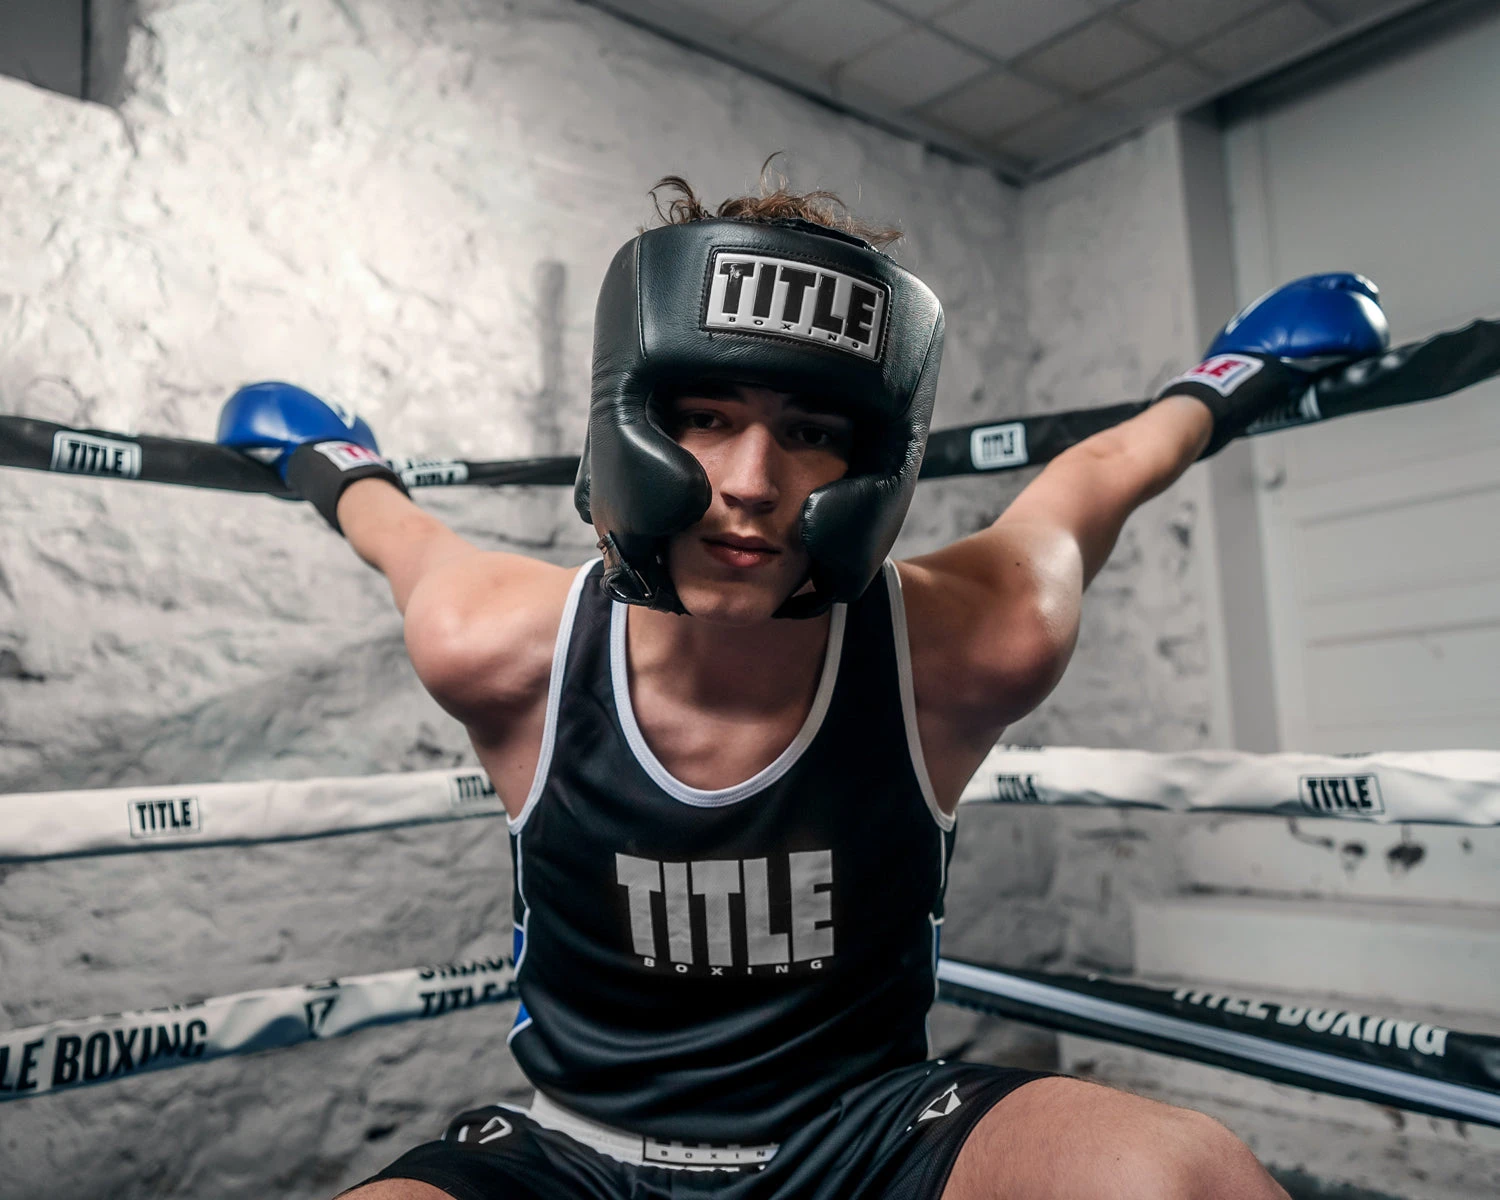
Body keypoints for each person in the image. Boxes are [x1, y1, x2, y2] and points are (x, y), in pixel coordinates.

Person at [219, 178, 1387, 1200]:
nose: (752, 483)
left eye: (813, 432)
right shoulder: (505, 646)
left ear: (875, 458)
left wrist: (1231, 381)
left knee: (1175, 1178)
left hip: (871, 1137)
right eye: (707, 418)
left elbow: (1095, 483)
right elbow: (398, 533)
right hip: (570, 1156)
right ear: (627, 423)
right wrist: (332, 460)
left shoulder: (964, 642)